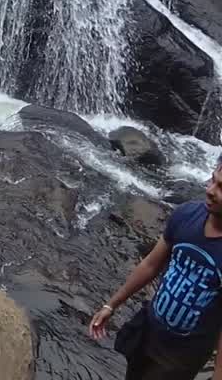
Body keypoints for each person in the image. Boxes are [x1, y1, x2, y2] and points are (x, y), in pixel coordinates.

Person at [89, 160, 222, 380]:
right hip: (149, 331)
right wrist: (110, 305)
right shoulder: (187, 215)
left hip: (181, 355)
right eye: (213, 181)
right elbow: (151, 264)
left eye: (221, 188)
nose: (210, 191)